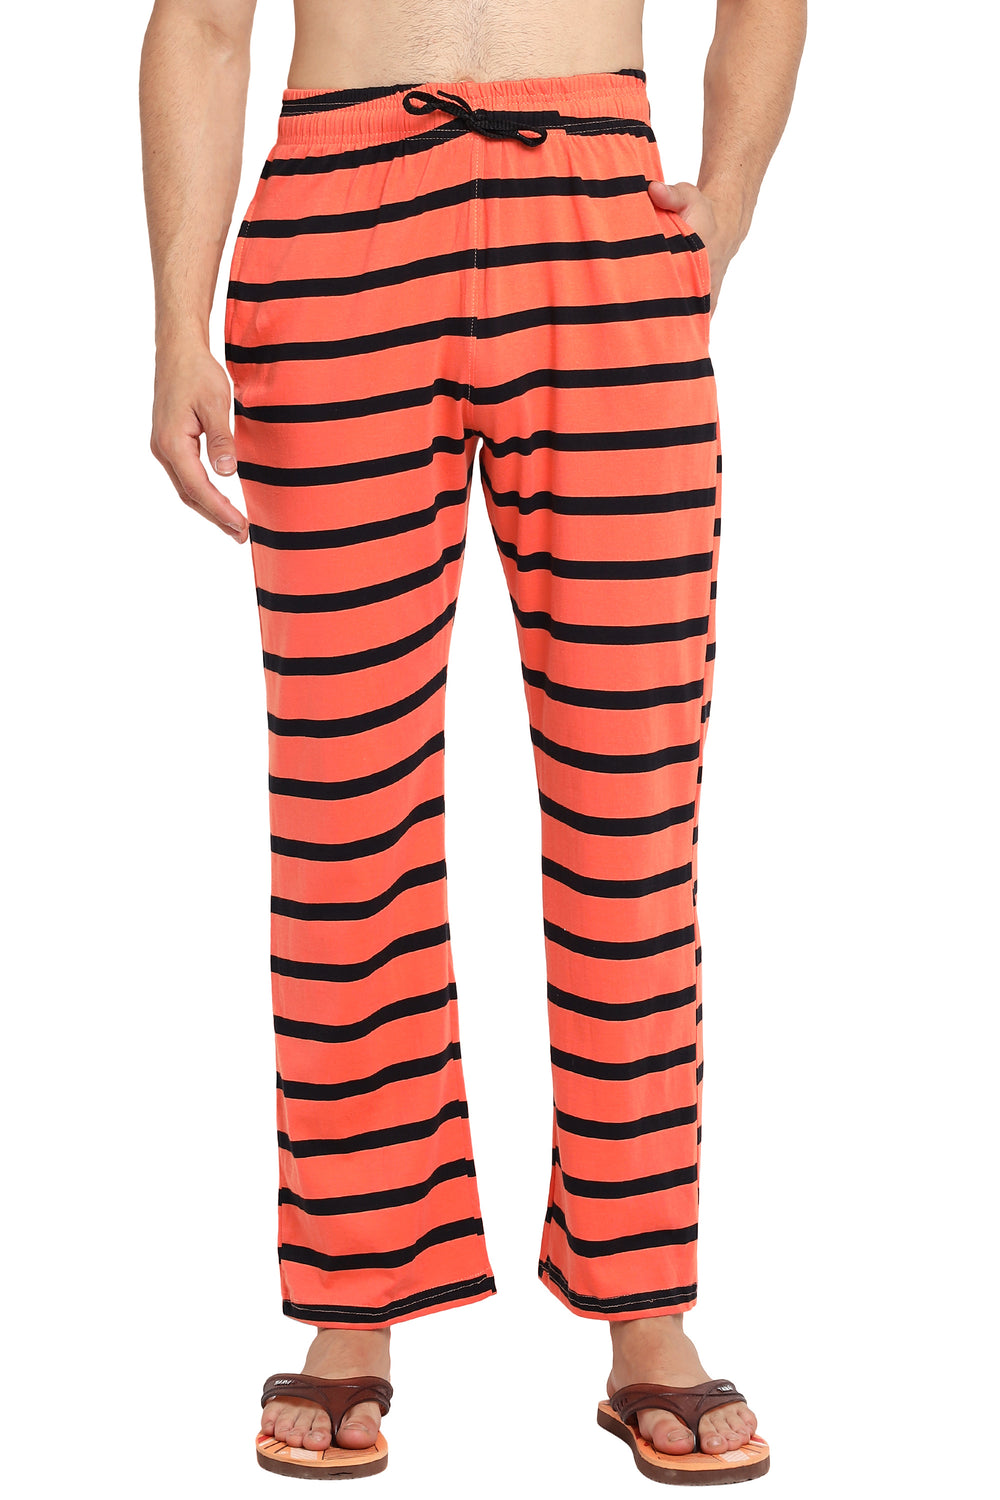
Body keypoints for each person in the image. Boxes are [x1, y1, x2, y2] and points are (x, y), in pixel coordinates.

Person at [140, 0, 805, 1484]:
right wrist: (178, 319)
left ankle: (645, 1305)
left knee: (632, 801)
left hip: (602, 210)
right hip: (334, 222)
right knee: (343, 805)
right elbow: (200, 22)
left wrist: (732, 191)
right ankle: (353, 1297)